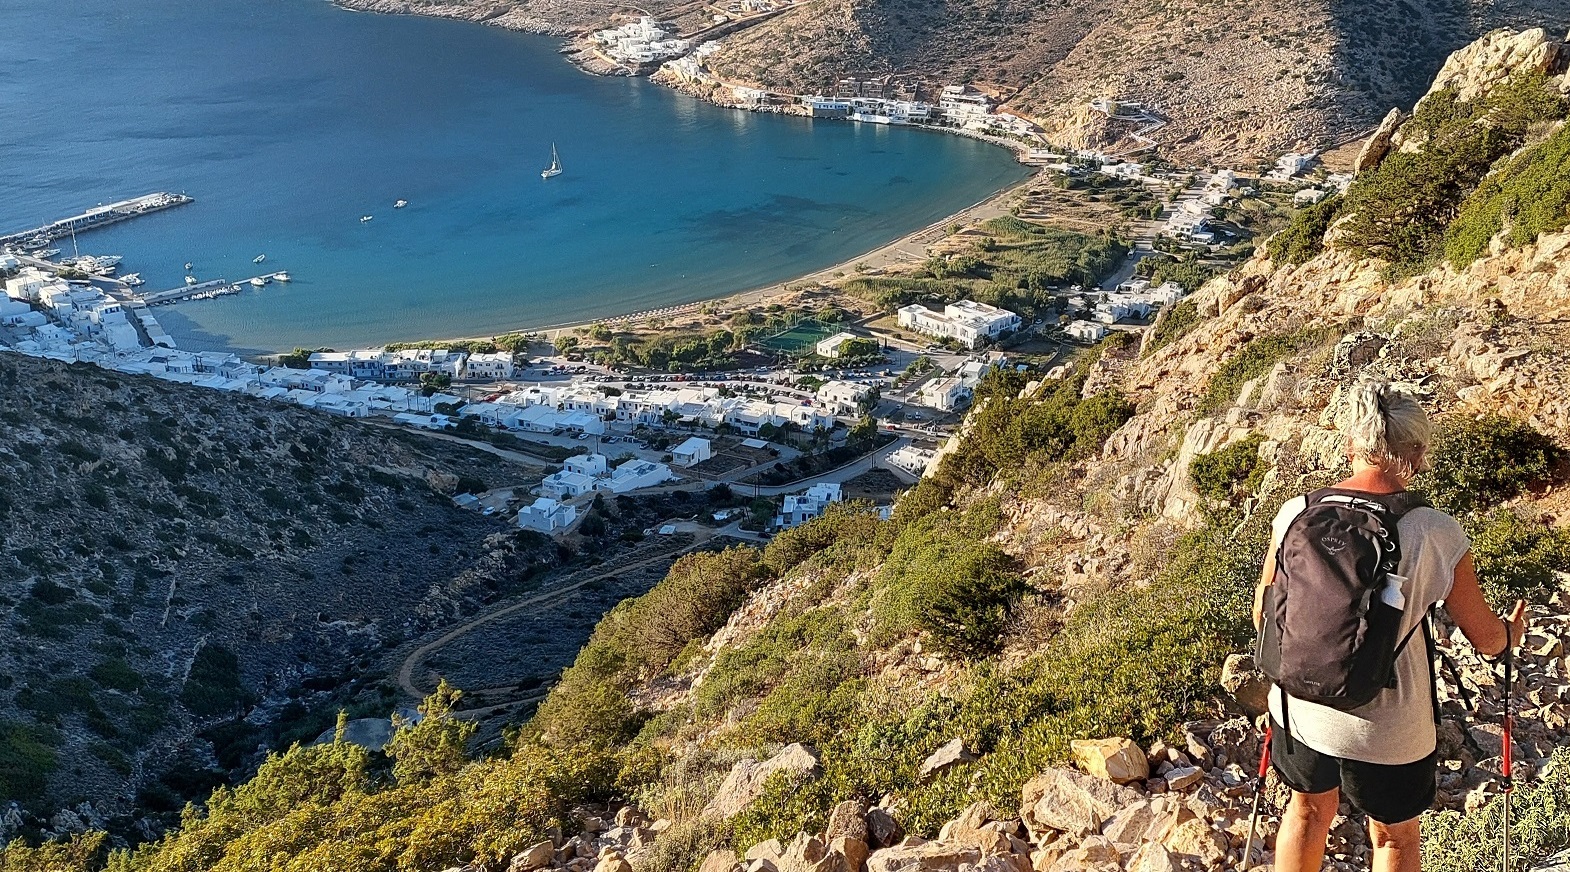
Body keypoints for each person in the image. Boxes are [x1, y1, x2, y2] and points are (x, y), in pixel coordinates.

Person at [1253, 378, 1527, 872]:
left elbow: (1264, 611)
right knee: (1393, 840)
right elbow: (1485, 640)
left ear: (1351, 444)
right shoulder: (1434, 530)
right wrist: (1512, 633)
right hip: (1388, 724)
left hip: (1297, 706)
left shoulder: (1297, 511)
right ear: (1417, 452)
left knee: (1308, 812)